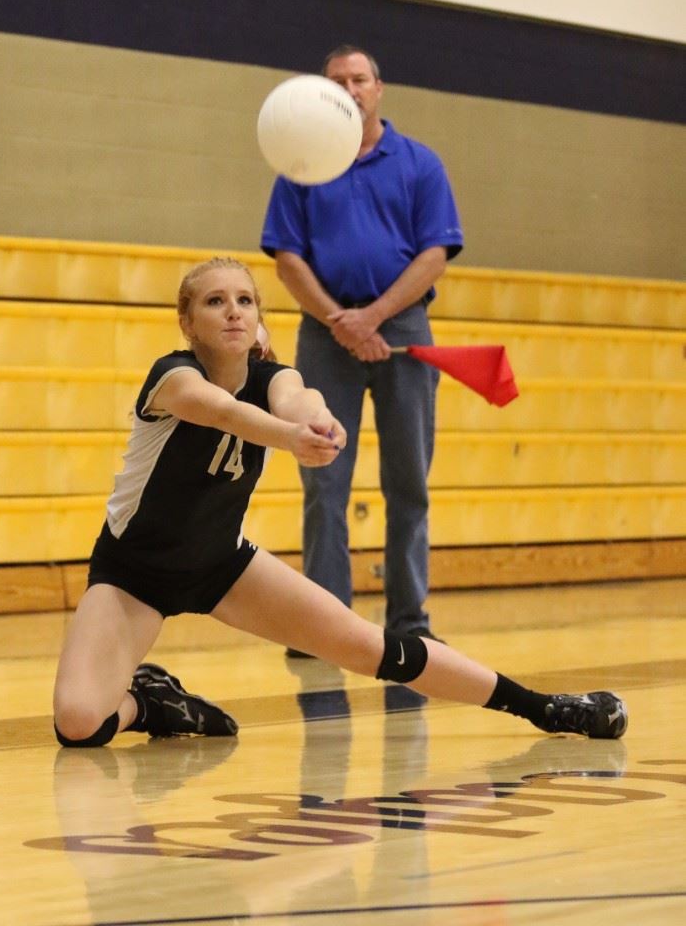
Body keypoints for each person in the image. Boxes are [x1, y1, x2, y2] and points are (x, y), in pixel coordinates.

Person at [52, 257, 627, 747]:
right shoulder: (173, 376)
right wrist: (289, 438)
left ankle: (545, 707)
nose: (232, 310)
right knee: (80, 723)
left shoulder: (274, 376)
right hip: (133, 572)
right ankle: (152, 704)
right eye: (214, 301)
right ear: (188, 322)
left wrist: (318, 423)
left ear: (258, 321)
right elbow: (223, 412)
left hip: (221, 566)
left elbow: (298, 398)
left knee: (367, 645)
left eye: (245, 300)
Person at [260, 44, 463, 650]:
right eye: (336, 82)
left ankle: (410, 623)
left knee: (409, 484)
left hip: (403, 335)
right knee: (324, 480)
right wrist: (340, 320)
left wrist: (372, 317)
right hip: (324, 336)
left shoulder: (421, 164)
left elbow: (434, 255)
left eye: (359, 79)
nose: (349, 89)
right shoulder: (300, 166)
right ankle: (324, 625)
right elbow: (286, 257)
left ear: (379, 88)